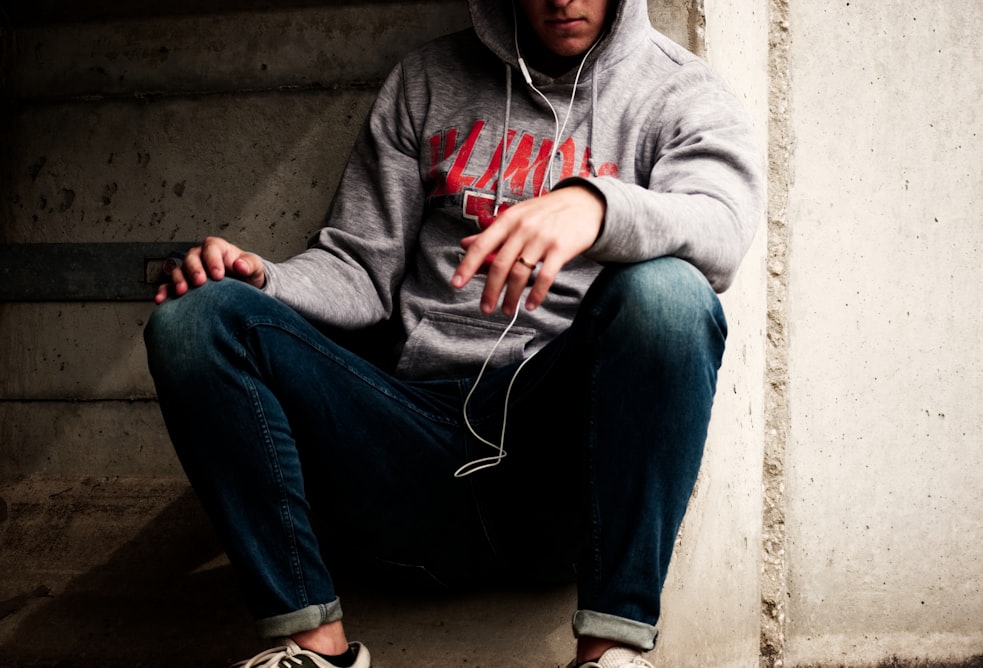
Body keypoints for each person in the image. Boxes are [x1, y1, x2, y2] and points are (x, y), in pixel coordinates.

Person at [144, 0, 763, 666]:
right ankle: (312, 648)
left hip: (558, 455)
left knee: (669, 294)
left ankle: (611, 649)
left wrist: (595, 205)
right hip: (410, 442)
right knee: (197, 317)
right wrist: (263, 280)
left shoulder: (678, 90)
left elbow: (722, 229)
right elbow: (359, 268)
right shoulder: (427, 81)